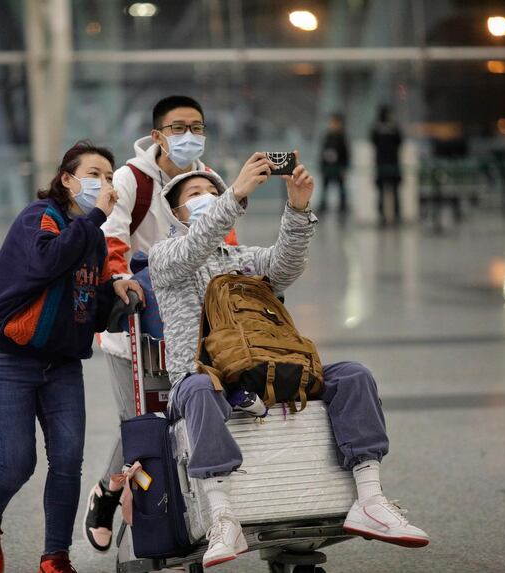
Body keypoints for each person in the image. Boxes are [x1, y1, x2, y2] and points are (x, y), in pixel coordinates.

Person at [148, 153, 430, 568]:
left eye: (213, 191)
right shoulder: (166, 257)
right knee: (197, 388)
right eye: (196, 194)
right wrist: (236, 194)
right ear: (175, 212)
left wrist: (298, 208)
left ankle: (370, 499)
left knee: (353, 376)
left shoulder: (243, 259)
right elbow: (196, 245)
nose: (207, 197)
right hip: (206, 379)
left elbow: (285, 266)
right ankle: (221, 516)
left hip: (267, 371)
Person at [0, 141, 143, 573]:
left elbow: (91, 303)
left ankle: (55, 558)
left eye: (108, 176)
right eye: (93, 174)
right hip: (9, 359)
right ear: (67, 179)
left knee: (67, 461)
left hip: (63, 365)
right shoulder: (38, 219)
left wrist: (115, 292)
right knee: (17, 464)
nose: (103, 183)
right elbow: (48, 260)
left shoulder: (93, 236)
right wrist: (98, 217)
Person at [84, 95, 237, 552]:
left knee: (176, 414)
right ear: (158, 135)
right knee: (140, 421)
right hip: (134, 322)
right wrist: (122, 279)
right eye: (178, 127)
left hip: (192, 322)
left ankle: (129, 491)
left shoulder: (207, 180)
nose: (189, 135)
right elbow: (110, 235)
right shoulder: (131, 180)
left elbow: (225, 240)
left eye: (197, 126)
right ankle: (112, 496)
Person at [371, 105, 403, 225]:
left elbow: (400, 141)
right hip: (382, 163)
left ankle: (397, 215)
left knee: (395, 192)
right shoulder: (377, 128)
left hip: (393, 163)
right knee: (381, 192)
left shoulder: (394, 127)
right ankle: (382, 216)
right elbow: (373, 141)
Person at [318, 113, 350, 215]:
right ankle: (323, 206)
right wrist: (322, 165)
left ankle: (343, 207)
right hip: (327, 167)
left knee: (341, 189)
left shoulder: (342, 137)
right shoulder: (327, 136)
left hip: (338, 167)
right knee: (325, 188)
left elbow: (346, 154)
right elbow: (322, 151)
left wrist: (344, 167)